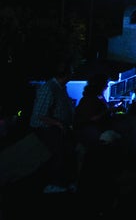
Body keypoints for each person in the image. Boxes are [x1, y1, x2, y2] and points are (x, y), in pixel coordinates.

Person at [29, 59, 77, 193]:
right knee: (59, 152)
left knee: (69, 150)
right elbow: (40, 114)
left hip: (59, 126)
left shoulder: (61, 87)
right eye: (71, 72)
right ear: (66, 74)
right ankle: (53, 183)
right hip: (45, 127)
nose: (73, 74)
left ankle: (65, 181)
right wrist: (58, 123)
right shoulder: (49, 88)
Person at [73, 72, 112, 171]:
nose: (107, 86)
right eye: (106, 83)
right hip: (90, 134)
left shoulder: (96, 97)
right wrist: (109, 111)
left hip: (92, 133)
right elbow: (92, 118)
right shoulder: (90, 99)